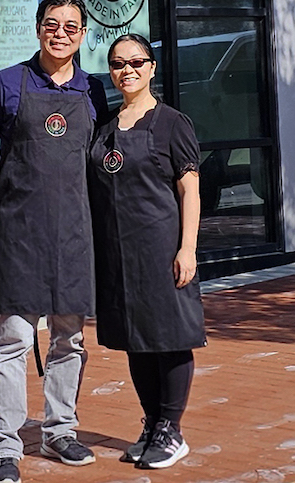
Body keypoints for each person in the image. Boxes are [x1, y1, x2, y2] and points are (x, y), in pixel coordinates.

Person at [0, 0, 110, 483]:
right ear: (38, 28)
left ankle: (59, 430)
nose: (61, 33)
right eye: (53, 24)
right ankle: (4, 449)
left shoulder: (93, 91)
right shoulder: (6, 84)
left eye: (72, 27)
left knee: (69, 338)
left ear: (83, 35)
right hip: (21, 230)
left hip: (74, 231)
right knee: (13, 339)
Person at [87, 33, 206, 470]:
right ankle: (152, 422)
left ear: (152, 67)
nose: (127, 70)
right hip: (118, 255)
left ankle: (172, 430)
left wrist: (187, 248)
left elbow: (190, 189)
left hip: (162, 248)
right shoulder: (103, 128)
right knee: (136, 341)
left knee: (169, 338)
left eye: (137, 62)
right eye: (118, 64)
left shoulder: (173, 123)